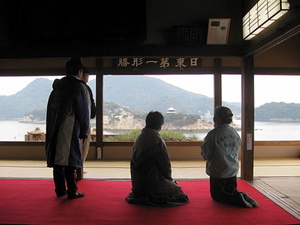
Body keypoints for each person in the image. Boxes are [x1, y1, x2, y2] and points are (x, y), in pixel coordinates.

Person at [45, 59, 90, 199]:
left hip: (54, 127)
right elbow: (83, 111)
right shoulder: (78, 86)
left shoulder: (57, 86)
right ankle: (72, 191)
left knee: (58, 159)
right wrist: (84, 130)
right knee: (71, 159)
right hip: (70, 127)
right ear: (79, 71)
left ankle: (59, 189)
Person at [126, 111, 189, 207]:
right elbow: (165, 165)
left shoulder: (140, 138)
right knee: (178, 191)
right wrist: (169, 180)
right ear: (160, 124)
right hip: (152, 185)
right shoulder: (157, 140)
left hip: (137, 185)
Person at [201, 106, 258, 208]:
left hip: (218, 170)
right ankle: (244, 195)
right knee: (231, 190)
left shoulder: (213, 134)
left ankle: (238, 198)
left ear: (217, 119)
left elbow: (206, 153)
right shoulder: (234, 133)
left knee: (217, 195)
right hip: (232, 168)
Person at [80, 67, 96, 172]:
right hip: (84, 122)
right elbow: (91, 105)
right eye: (86, 76)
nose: (87, 78)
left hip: (74, 122)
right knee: (84, 145)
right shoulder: (85, 88)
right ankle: (80, 166)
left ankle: (76, 166)